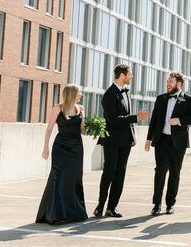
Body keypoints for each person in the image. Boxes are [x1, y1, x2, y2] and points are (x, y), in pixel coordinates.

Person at [94, 64, 149, 218]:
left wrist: (132, 137)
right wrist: (136, 117)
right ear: (122, 75)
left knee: (120, 173)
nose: (132, 76)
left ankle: (112, 207)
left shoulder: (126, 93)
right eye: (130, 74)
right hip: (111, 140)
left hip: (125, 141)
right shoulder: (109, 94)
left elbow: (127, 119)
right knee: (109, 172)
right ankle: (100, 206)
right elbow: (113, 120)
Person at [145, 71, 191, 215]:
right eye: (167, 81)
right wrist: (148, 139)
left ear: (179, 84)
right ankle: (156, 205)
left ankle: (170, 204)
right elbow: (155, 120)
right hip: (162, 140)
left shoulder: (188, 99)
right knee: (160, 171)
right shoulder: (161, 99)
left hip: (178, 142)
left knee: (175, 173)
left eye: (171, 82)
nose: (168, 84)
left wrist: (180, 121)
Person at [36, 84, 88, 224]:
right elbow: (49, 129)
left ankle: (74, 213)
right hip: (60, 147)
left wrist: (91, 127)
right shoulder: (57, 108)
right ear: (72, 94)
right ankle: (55, 214)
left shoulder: (81, 109)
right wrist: (45, 148)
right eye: (79, 92)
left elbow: (83, 130)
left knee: (75, 177)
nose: (81, 95)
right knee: (58, 177)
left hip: (76, 147)